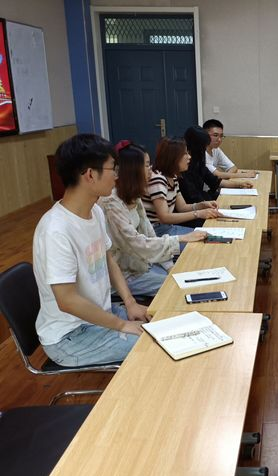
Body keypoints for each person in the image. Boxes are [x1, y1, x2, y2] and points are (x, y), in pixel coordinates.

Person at [33, 134, 151, 367]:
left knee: (160, 323)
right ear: (90, 174)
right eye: (112, 168)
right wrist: (121, 325)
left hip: (97, 316)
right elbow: (67, 301)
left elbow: (108, 258)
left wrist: (130, 302)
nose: (116, 175)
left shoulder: (95, 211)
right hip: (69, 336)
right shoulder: (55, 230)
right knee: (154, 345)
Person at [98, 141, 207, 296]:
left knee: (186, 275)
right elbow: (136, 244)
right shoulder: (111, 202)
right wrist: (181, 239)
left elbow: (150, 235)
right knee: (182, 288)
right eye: (147, 165)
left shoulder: (134, 196)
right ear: (133, 170)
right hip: (125, 275)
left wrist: (170, 267)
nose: (151, 170)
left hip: (141, 264)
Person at [142, 136, 220, 234]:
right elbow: (164, 217)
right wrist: (198, 214)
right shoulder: (158, 180)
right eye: (185, 153)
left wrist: (201, 205)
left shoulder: (173, 176)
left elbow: (182, 207)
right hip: (156, 231)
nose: (189, 157)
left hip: (167, 227)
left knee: (209, 234)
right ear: (173, 157)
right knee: (206, 237)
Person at [180, 126, 253, 205]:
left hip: (202, 198)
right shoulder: (182, 167)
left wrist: (240, 184)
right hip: (194, 204)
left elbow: (214, 181)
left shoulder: (198, 159)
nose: (204, 150)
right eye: (203, 147)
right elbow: (192, 196)